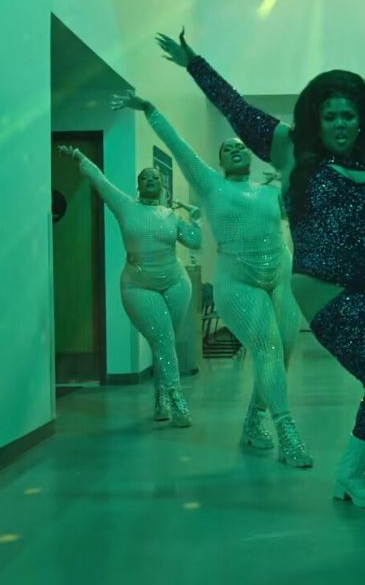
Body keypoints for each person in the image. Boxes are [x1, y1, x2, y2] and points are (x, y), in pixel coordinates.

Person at [160, 27, 365, 529]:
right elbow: (236, 107)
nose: (340, 123)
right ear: (316, 120)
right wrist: (194, 63)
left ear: (362, 119)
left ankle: (349, 473)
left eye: (348, 114)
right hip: (330, 291)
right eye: (330, 116)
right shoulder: (292, 153)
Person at [111, 90, 312, 467]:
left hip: (281, 275)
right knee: (267, 349)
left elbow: (305, 201)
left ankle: (253, 419)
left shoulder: (269, 193)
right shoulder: (210, 185)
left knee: (281, 355)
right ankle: (287, 430)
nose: (236, 150)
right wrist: (151, 109)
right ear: (220, 161)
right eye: (228, 148)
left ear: (250, 155)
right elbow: (179, 146)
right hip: (239, 282)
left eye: (241, 147)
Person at [57, 147, 200, 426]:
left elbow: (195, 241)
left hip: (176, 283)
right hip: (139, 286)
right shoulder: (125, 206)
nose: (150, 180)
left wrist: (196, 218)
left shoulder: (171, 216)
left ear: (162, 186)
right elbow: (100, 181)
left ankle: (160, 396)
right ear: (138, 185)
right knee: (163, 338)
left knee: (164, 341)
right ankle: (176, 397)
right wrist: (79, 157)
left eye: (155, 178)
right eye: (145, 177)